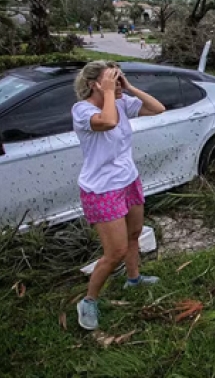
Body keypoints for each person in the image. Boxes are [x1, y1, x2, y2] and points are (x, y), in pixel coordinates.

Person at [72, 61, 166, 330]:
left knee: (135, 234)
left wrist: (128, 87)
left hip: (128, 180)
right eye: (110, 78)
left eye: (117, 77)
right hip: (102, 189)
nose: (116, 81)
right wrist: (111, 93)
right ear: (94, 84)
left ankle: (134, 278)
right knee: (115, 252)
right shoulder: (82, 110)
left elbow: (158, 108)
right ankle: (88, 301)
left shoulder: (121, 102)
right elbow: (108, 121)